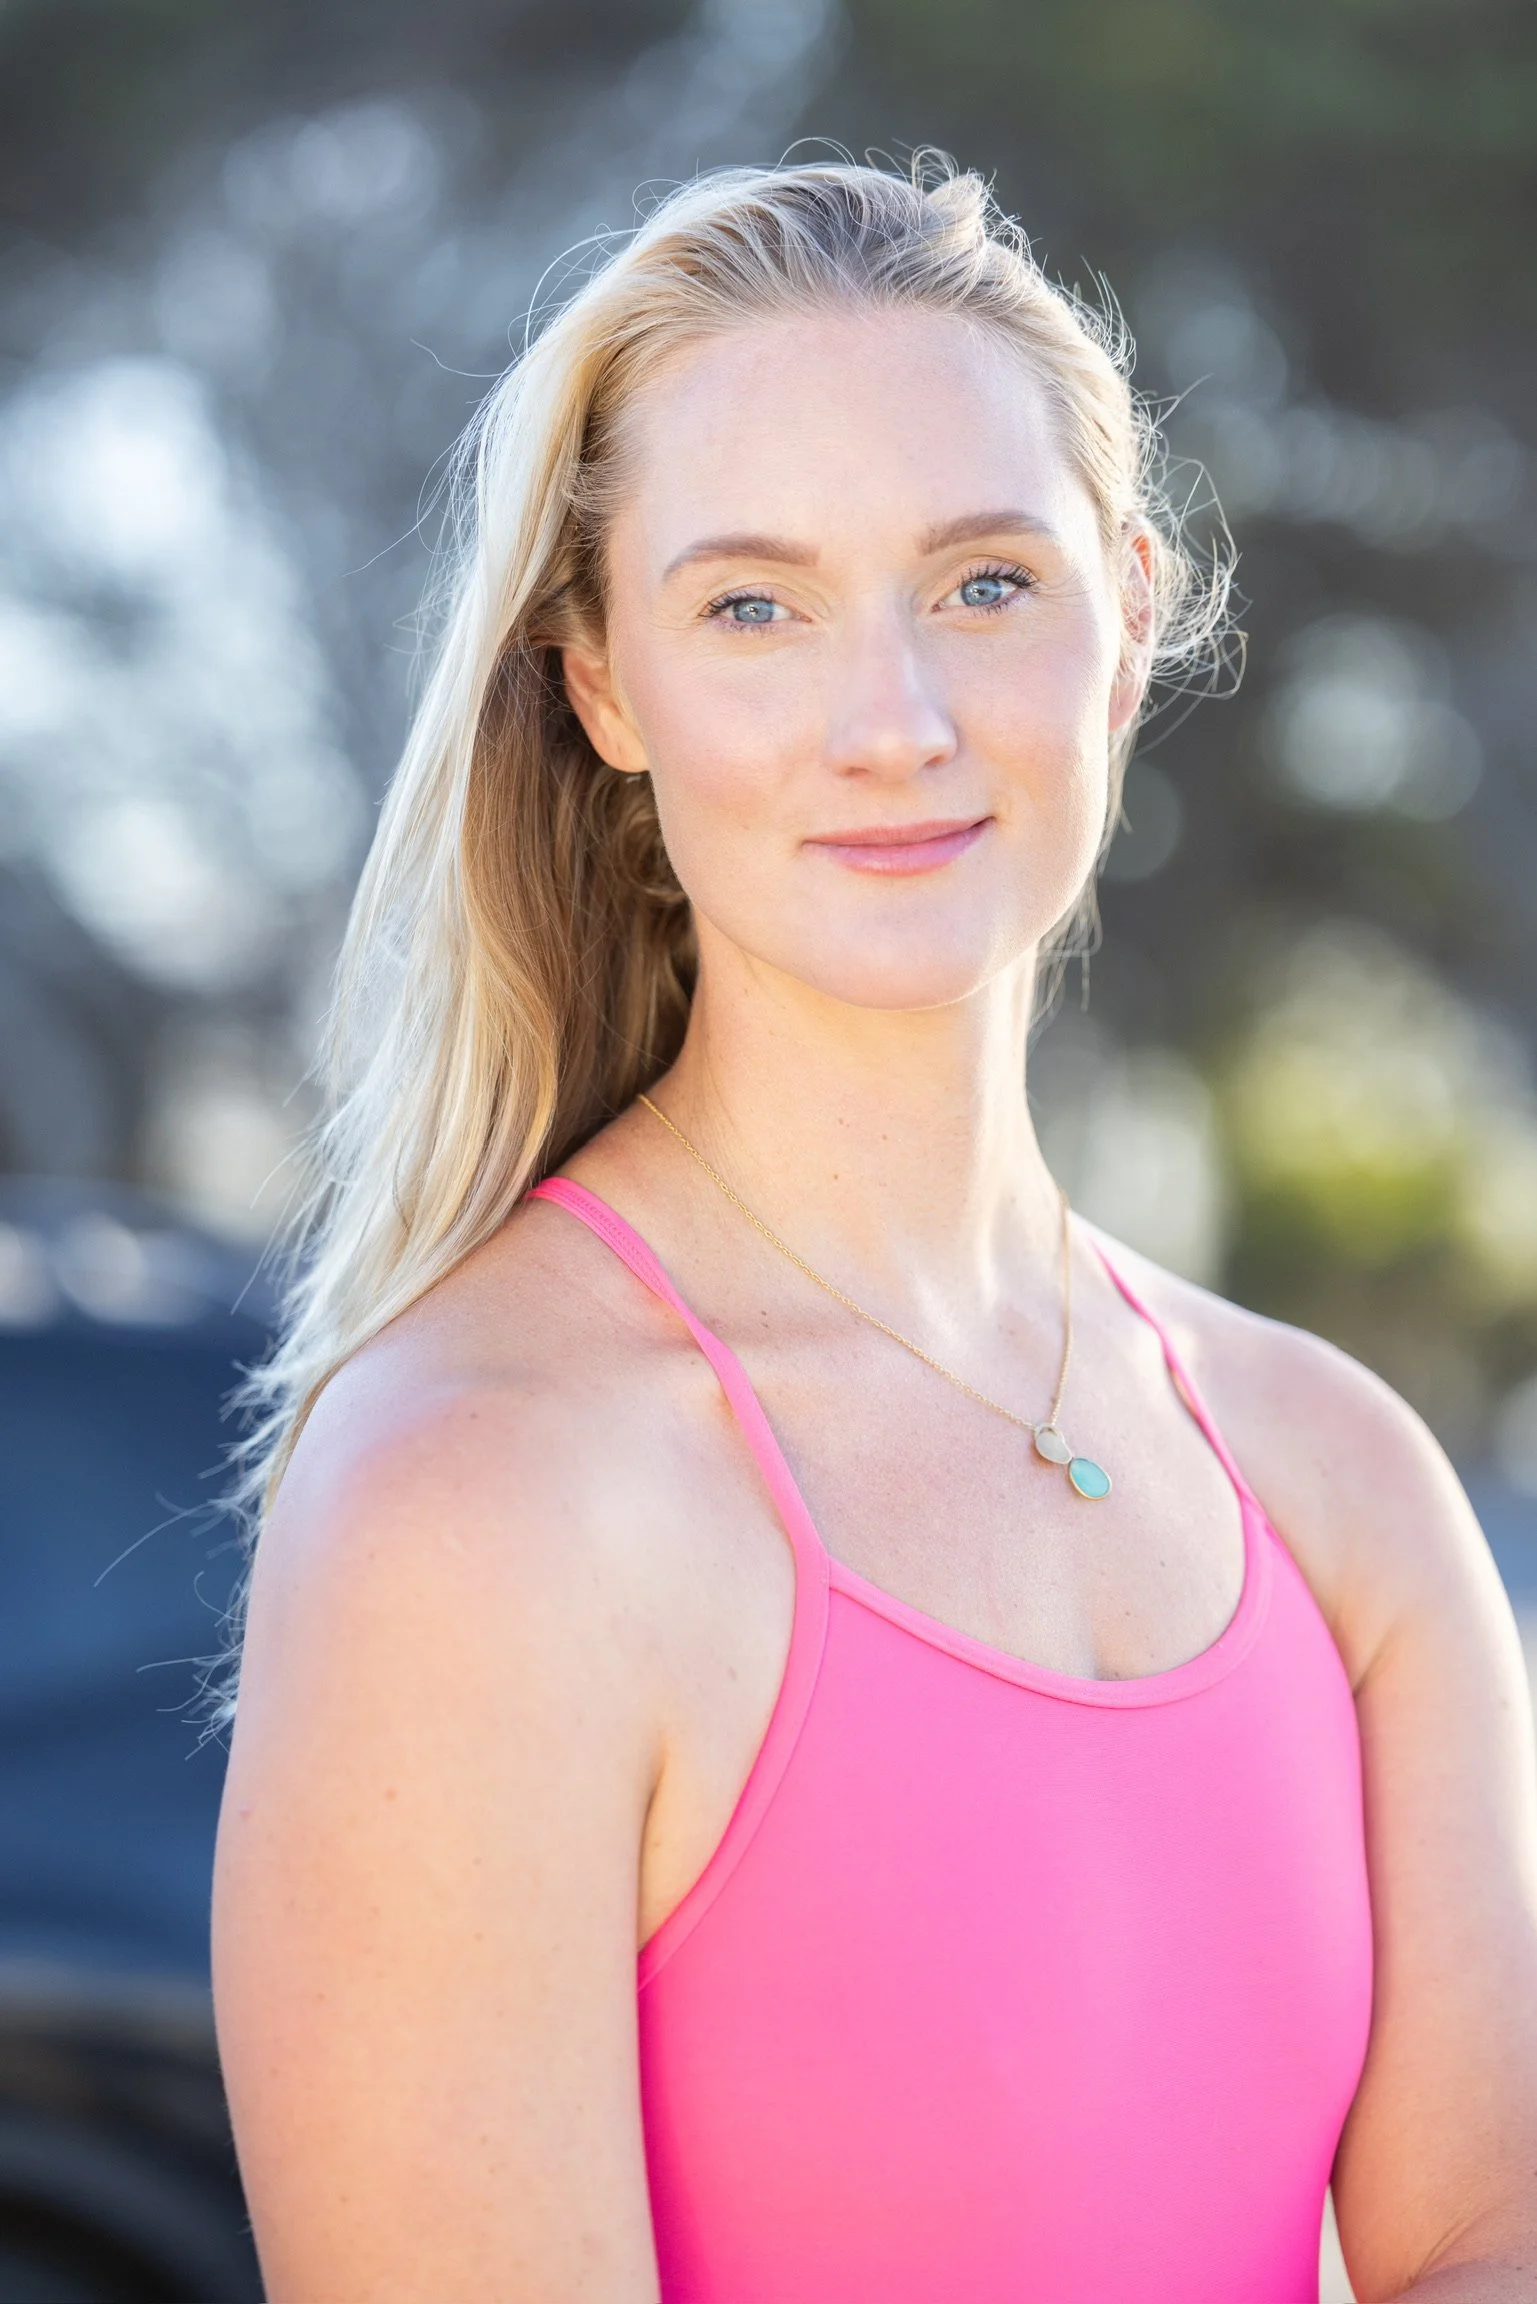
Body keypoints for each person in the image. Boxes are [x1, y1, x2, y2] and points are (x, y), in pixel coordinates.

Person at [210, 160, 1537, 2302]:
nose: (896, 723)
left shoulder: (1345, 1482)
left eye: (985, 583)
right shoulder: (479, 1501)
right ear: (603, 687)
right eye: (754, 608)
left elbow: (1488, 2239)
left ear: (1127, 618)